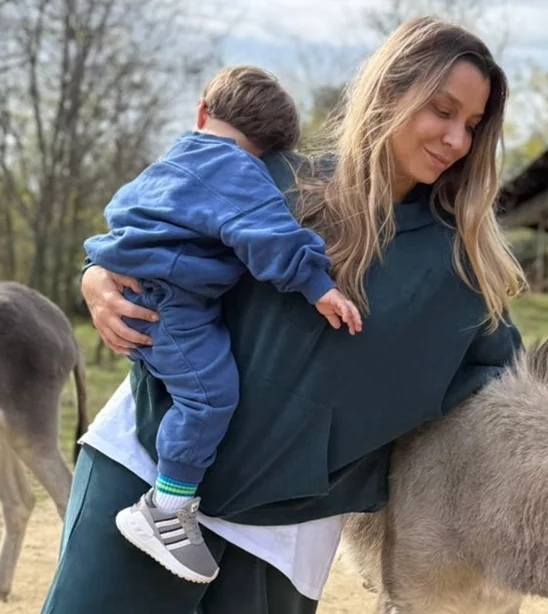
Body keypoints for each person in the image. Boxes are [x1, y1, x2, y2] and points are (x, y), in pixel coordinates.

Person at [42, 15, 526, 614]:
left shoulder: (466, 276)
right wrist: (95, 274)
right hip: (144, 472)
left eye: (473, 126)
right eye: (442, 110)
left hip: (284, 536)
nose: (457, 140)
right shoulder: (274, 180)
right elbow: (150, 225)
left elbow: (511, 398)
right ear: (390, 92)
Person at [81, 65, 363, 584]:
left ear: (203, 111)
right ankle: (165, 506)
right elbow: (267, 231)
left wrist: (94, 273)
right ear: (271, 151)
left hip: (143, 291)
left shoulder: (173, 159)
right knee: (210, 397)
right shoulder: (234, 167)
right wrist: (317, 284)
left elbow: (122, 216)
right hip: (172, 302)